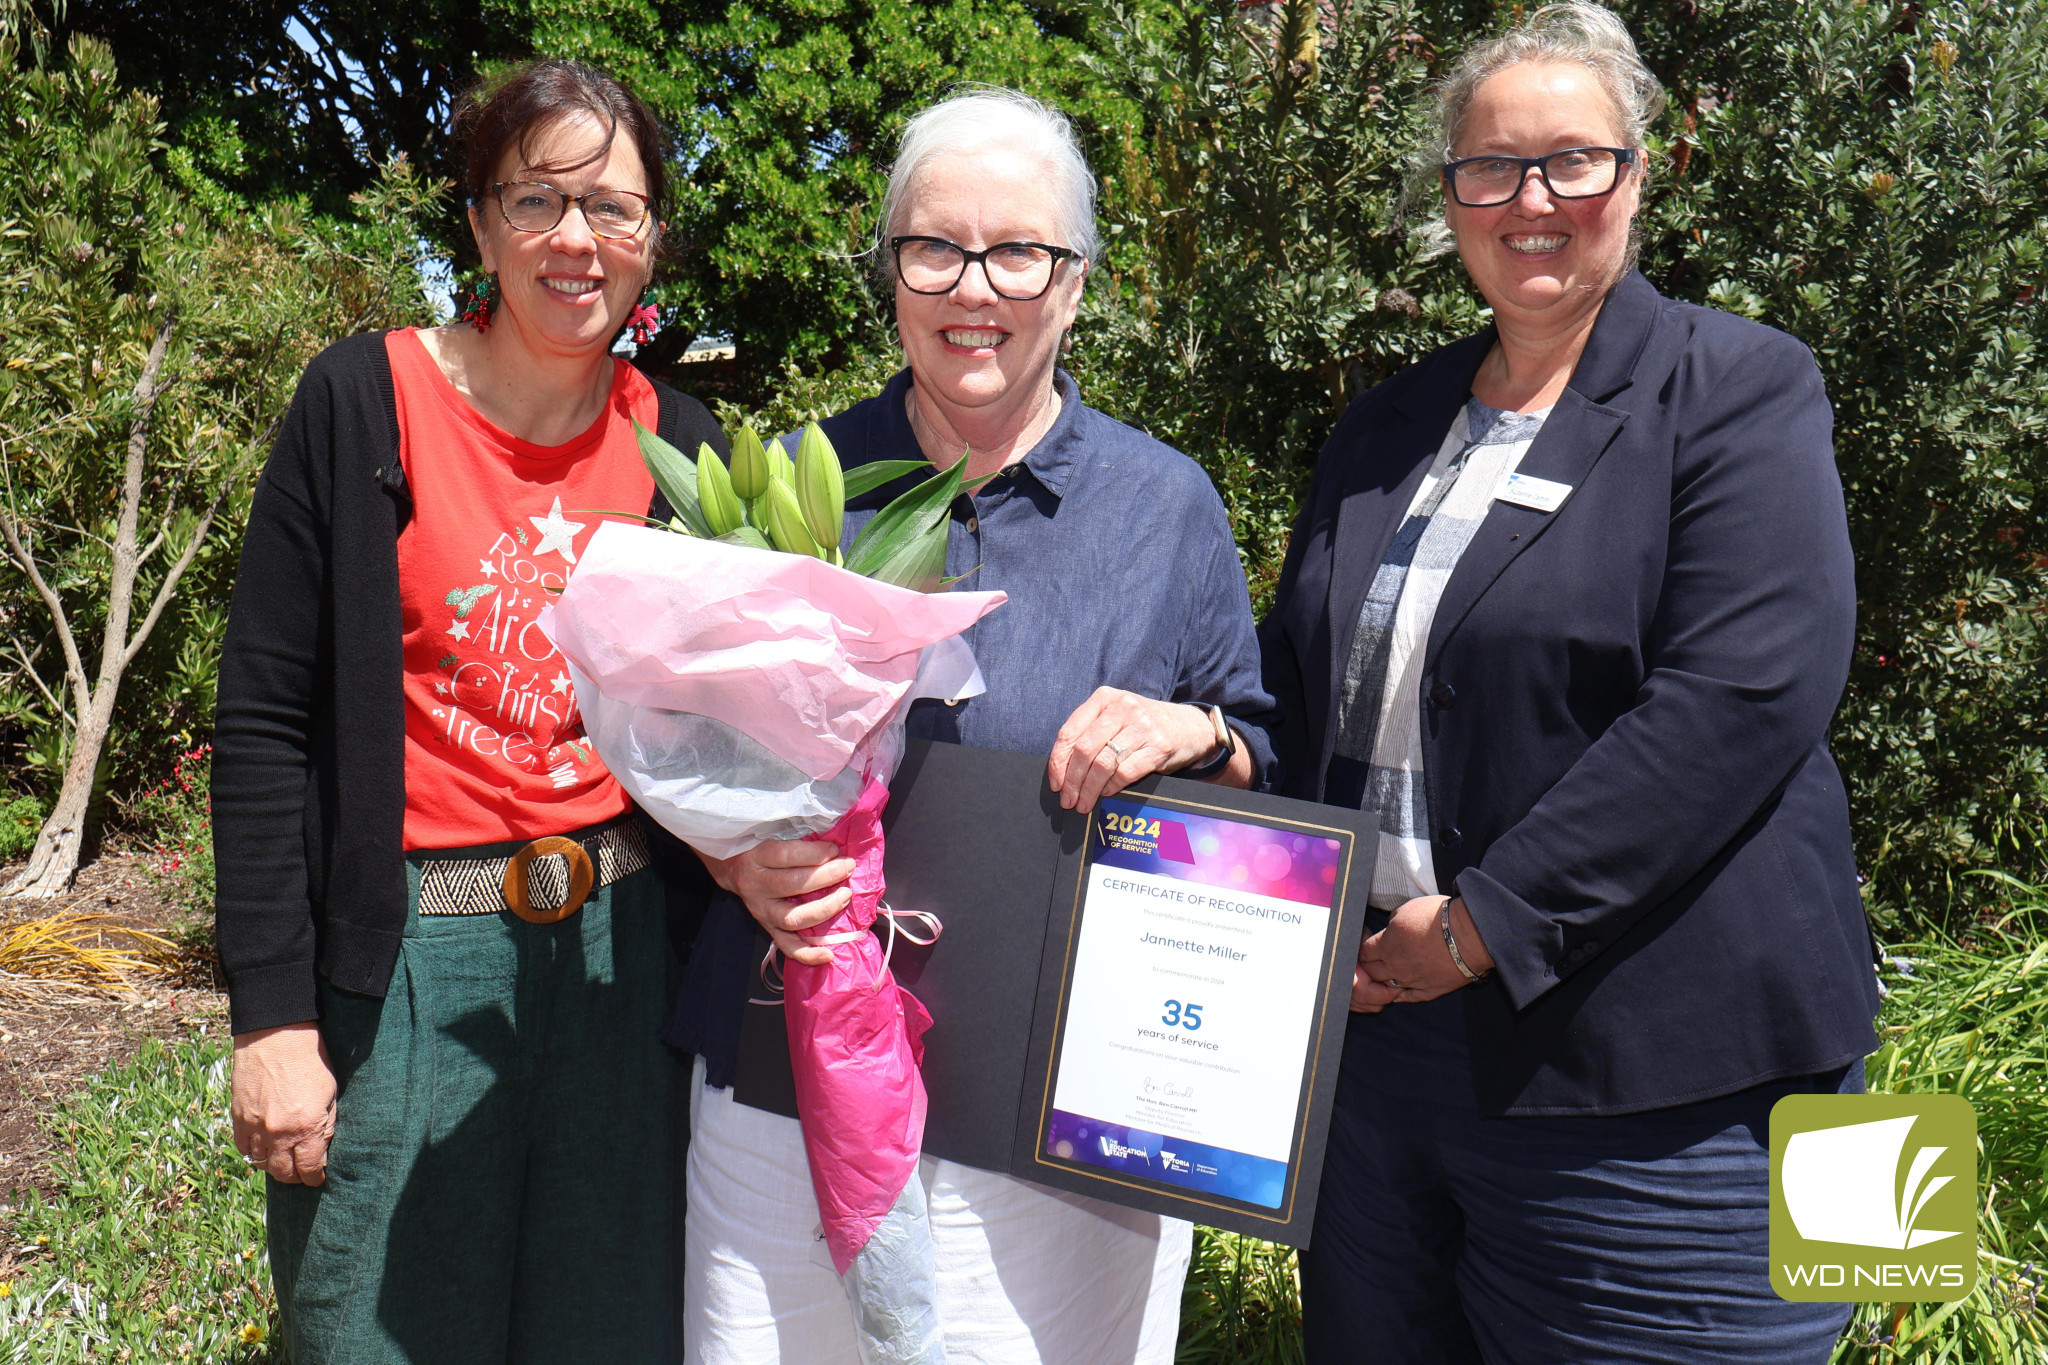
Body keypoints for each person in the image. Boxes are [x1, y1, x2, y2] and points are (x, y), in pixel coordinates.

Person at [1257, 5, 1883, 1361]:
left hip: (1677, 1083)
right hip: (1382, 1062)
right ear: (1452, 195)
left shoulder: (1742, 386)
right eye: (1491, 167)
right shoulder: (1384, 426)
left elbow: (1744, 698)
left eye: (1572, 161)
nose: (1530, 200)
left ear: (1637, 176)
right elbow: (1297, 684)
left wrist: (1486, 923)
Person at [665, 87, 1273, 1364]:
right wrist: (730, 854)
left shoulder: (1165, 509)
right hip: (793, 1081)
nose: (972, 287)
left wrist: (1192, 735)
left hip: (1051, 1110)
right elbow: (689, 752)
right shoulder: (792, 487)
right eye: (934, 248)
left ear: (1075, 279)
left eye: (1018, 252)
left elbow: (1258, 760)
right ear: (890, 272)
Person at [211, 59, 725, 1364]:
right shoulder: (361, 402)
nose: (576, 239)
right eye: (538, 199)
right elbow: (266, 723)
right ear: (483, 221)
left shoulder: (689, 445)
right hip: (407, 973)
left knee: (605, 1331)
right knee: (373, 1331)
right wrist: (273, 1018)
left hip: (623, 962)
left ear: (653, 235)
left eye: (613, 207)